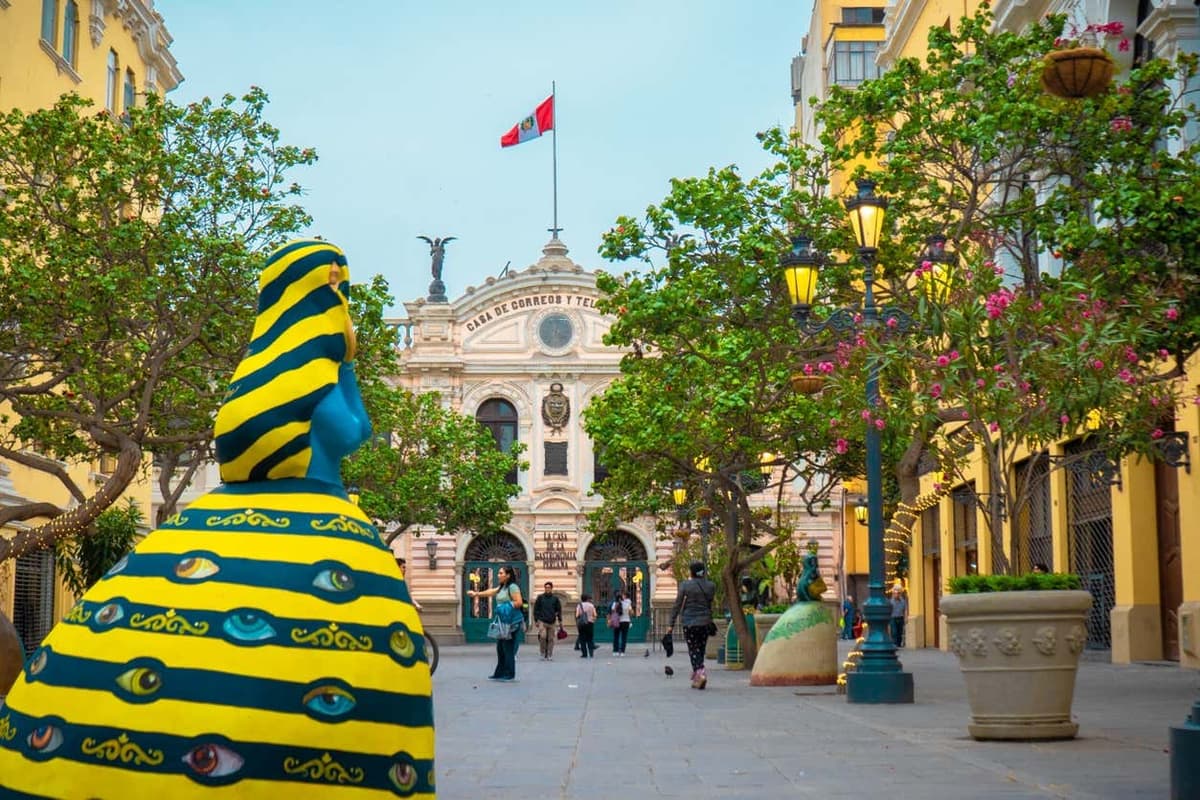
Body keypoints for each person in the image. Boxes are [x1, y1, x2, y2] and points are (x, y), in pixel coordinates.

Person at [0, 240, 436, 796]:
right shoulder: (318, 381)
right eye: (337, 289)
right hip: (322, 522)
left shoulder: (250, 385)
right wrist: (345, 358)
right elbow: (356, 432)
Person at [665, 561, 718, 690]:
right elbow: (710, 603)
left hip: (689, 622)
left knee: (693, 649)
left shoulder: (685, 585)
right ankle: (697, 675)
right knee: (701, 648)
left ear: (691, 572)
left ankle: (700, 672)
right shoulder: (711, 586)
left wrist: (671, 623)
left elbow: (677, 604)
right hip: (705, 621)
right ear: (703, 572)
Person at [469, 565, 524, 681]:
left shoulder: (513, 587)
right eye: (498, 573)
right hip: (503, 621)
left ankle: (509, 674)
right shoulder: (501, 587)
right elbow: (490, 592)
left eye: (501, 573)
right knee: (500, 647)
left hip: (512, 621)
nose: (498, 575)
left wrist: (505, 606)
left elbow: (519, 602)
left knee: (508, 648)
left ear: (508, 575)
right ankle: (499, 672)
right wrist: (476, 594)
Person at [533, 581, 563, 660]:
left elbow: (559, 610)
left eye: (549, 588)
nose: (547, 589)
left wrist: (560, 620)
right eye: (546, 588)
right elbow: (536, 609)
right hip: (542, 621)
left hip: (552, 621)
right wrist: (536, 620)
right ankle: (543, 653)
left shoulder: (555, 599)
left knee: (551, 639)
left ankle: (549, 654)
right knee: (543, 637)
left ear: (551, 588)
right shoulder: (540, 597)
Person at [576, 592, 597, 658]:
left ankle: (584, 654)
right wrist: (593, 619)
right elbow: (595, 615)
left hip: (581, 624)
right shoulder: (591, 605)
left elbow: (577, 615)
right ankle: (591, 653)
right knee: (590, 639)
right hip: (590, 623)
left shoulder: (579, 605)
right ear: (587, 598)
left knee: (582, 639)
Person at [611, 591, 632, 656]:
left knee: (616, 636)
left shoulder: (615, 603)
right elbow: (631, 612)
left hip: (617, 621)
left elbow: (613, 611)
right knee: (624, 637)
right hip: (626, 621)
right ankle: (622, 652)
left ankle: (615, 651)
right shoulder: (628, 603)